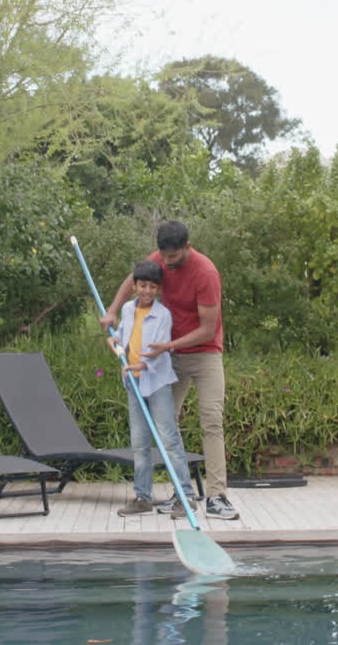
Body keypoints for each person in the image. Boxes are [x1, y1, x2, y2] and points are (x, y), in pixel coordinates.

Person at [100, 220, 239, 520]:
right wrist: (112, 310)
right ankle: (180, 491)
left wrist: (167, 346)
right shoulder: (161, 257)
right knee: (165, 425)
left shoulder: (206, 273)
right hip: (168, 355)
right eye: (163, 257)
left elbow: (206, 329)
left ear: (187, 248)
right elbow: (133, 280)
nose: (166, 264)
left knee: (211, 420)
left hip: (203, 354)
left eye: (172, 259)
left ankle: (217, 496)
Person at [108, 260, 197, 517]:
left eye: (152, 287)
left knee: (169, 440)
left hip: (156, 383)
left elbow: (159, 349)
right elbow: (123, 337)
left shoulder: (163, 315)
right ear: (134, 286)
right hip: (133, 384)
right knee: (139, 443)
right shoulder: (126, 309)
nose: (147, 291)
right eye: (142, 285)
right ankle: (143, 497)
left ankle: (185, 497)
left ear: (158, 290)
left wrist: (140, 366)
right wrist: (114, 342)